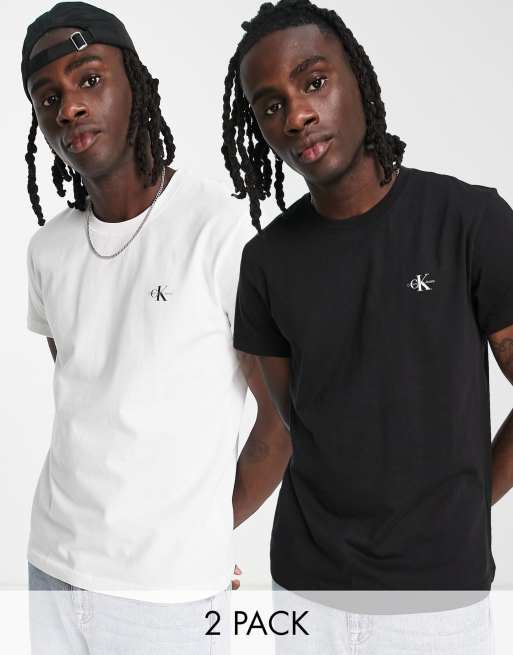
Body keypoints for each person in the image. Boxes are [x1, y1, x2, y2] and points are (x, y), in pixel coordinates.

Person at [223, 0, 513, 652]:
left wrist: (471, 502)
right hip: (303, 593)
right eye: (269, 106)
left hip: (436, 605)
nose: (296, 115)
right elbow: (291, 422)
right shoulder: (266, 260)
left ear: (356, 76)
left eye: (314, 82)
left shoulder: (468, 221)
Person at [22, 2, 289, 653]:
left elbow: (285, 418)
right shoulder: (49, 249)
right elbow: (88, 391)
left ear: (134, 83)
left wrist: (203, 536)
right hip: (52, 566)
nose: (69, 107)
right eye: (48, 97)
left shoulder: (217, 233)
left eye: (89, 79)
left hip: (168, 598)